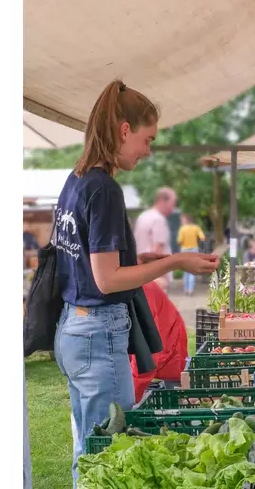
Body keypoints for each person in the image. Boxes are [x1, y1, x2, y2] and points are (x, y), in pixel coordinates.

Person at [52, 79, 219, 486]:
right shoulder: (105, 189)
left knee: (89, 452)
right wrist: (176, 261)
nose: (147, 150)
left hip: (72, 330)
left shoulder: (77, 180)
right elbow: (107, 280)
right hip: (98, 335)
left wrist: (140, 259)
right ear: (124, 130)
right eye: (147, 139)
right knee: (111, 460)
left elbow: (88, 264)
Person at [130, 281, 189, 398]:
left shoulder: (139, 293)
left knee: (172, 400)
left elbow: (146, 357)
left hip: (168, 348)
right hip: (160, 347)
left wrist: (132, 397)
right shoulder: (132, 287)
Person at [134, 187, 177, 291]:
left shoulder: (143, 216)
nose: (173, 207)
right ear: (162, 201)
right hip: (155, 277)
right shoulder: (158, 220)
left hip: (141, 273)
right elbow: (157, 251)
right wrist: (160, 277)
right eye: (173, 203)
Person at [176, 213, 206, 295]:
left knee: (186, 270)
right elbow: (203, 237)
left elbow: (179, 241)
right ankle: (191, 290)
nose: (181, 221)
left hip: (185, 250)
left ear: (185, 220)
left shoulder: (182, 229)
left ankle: (186, 290)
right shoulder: (196, 228)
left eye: (182, 220)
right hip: (194, 250)